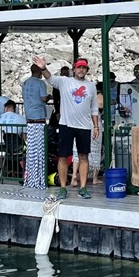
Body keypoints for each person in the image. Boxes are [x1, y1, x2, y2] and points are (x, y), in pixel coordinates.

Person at [34, 56, 98, 199]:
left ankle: (83, 187)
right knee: (63, 157)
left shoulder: (91, 86)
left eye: (84, 68)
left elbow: (94, 108)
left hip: (84, 126)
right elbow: (50, 78)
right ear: (74, 69)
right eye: (79, 67)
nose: (81, 70)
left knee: (83, 156)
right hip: (66, 125)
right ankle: (63, 188)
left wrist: (96, 126)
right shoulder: (65, 81)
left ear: (87, 70)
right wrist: (43, 68)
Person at [21, 63, 50, 190]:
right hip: (39, 118)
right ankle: (39, 176)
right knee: (40, 150)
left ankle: (30, 175)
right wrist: (49, 97)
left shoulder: (25, 83)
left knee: (31, 150)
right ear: (39, 72)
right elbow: (43, 98)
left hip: (29, 118)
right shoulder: (41, 83)